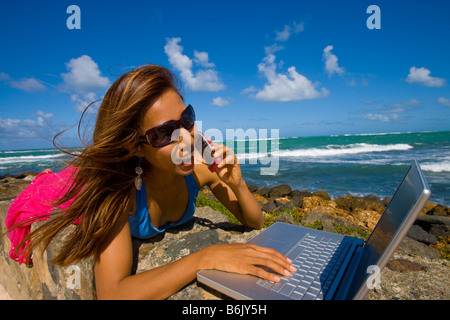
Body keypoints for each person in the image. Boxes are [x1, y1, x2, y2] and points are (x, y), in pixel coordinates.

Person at [5, 65, 295, 299]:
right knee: (57, 189)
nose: (185, 138)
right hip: (94, 181)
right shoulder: (120, 195)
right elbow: (113, 293)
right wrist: (204, 258)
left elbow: (254, 222)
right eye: (164, 132)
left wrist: (238, 184)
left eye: (187, 119)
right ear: (136, 146)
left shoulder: (199, 168)